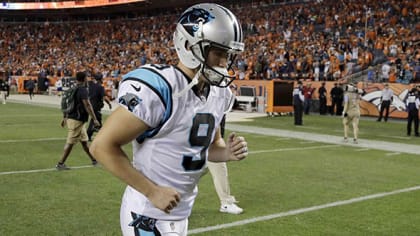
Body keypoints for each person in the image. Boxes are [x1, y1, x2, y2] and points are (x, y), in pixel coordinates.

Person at [89, 4, 248, 235]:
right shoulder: (161, 89)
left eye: (229, 55)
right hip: (146, 214)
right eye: (218, 53)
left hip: (180, 213)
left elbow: (205, 147)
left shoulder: (219, 94)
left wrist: (225, 154)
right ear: (188, 46)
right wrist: (152, 191)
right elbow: (101, 146)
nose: (224, 63)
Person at [56, 71, 101, 170]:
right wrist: (95, 119)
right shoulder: (82, 90)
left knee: (84, 142)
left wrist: (64, 117)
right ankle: (60, 163)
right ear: (84, 78)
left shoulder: (73, 88)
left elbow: (67, 103)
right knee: (70, 142)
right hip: (77, 120)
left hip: (74, 119)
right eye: (87, 77)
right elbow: (87, 105)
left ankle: (94, 160)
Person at [207, 115, 243, 215]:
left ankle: (226, 203)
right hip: (194, 146)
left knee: (220, 170)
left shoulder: (220, 103)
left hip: (212, 144)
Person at [87, 74, 112, 141]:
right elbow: (104, 97)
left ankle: (99, 133)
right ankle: (89, 134)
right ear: (101, 79)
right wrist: (109, 103)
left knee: (97, 120)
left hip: (90, 105)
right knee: (94, 121)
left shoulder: (91, 86)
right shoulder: (100, 87)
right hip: (96, 106)